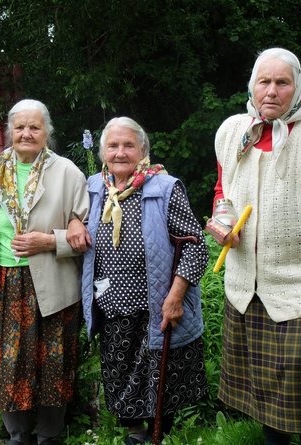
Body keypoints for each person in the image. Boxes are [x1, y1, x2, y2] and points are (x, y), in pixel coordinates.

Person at [209, 48, 301, 445]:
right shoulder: (232, 131)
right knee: (266, 395)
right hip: (245, 289)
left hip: (299, 286)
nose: (271, 91)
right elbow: (224, 191)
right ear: (251, 86)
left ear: (297, 87)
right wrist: (222, 222)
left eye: (282, 83)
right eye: (264, 81)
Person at [81, 117, 209, 444]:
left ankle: (152, 438)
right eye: (113, 145)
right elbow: (78, 227)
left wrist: (176, 295)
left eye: (128, 145)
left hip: (155, 307)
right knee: (122, 384)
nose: (120, 152)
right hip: (110, 306)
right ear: (102, 152)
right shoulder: (93, 188)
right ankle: (135, 436)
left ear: (143, 150)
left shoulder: (165, 188)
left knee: (158, 388)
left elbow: (195, 246)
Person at [0, 99, 89, 445]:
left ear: (47, 133)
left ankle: (49, 435)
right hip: (3, 281)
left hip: (51, 282)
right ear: (9, 131)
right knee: (8, 362)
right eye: (20, 127)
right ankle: (17, 435)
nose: (26, 133)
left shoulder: (68, 172)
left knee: (52, 362)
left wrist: (51, 241)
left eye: (34, 127)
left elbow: (86, 234)